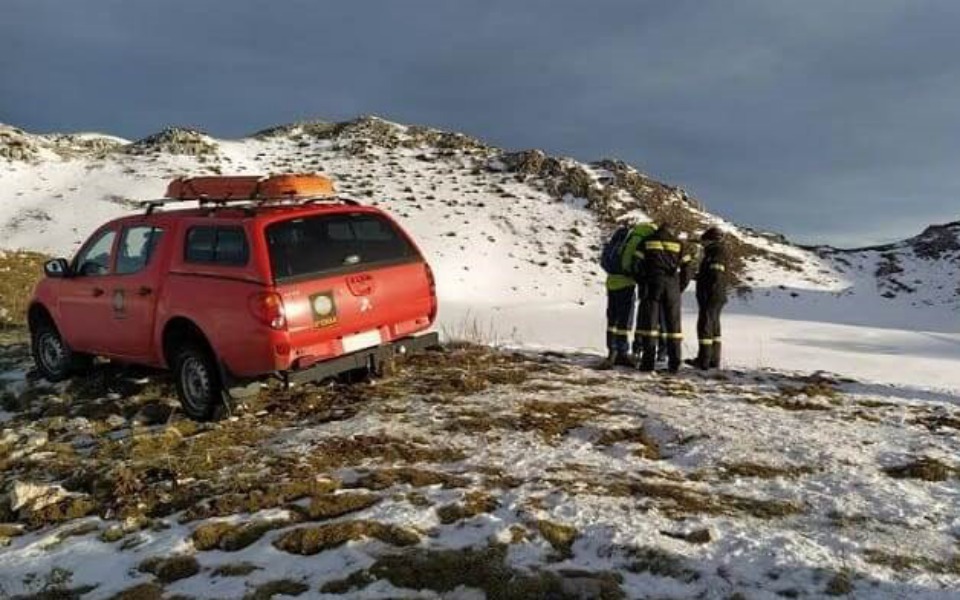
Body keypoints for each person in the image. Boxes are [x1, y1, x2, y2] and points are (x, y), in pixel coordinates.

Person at [636, 223, 695, 373]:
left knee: (650, 326)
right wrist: (679, 287)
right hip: (672, 286)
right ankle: (674, 364)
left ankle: (647, 363)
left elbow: (635, 264)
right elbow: (688, 269)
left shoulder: (647, 241)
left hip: (652, 284)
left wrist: (642, 281)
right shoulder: (679, 244)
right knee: (674, 327)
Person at [599, 220, 658, 369]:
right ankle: (622, 353)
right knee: (625, 320)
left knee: (612, 318)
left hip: (612, 281)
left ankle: (611, 351)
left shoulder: (626, 235)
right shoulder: (642, 239)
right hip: (627, 283)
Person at [687, 226, 729, 370]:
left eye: (703, 241)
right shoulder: (717, 251)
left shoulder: (716, 252)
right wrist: (696, 276)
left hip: (711, 295)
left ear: (709, 240)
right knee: (714, 327)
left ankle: (704, 360)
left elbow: (715, 273)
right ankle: (713, 360)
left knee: (705, 326)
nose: (702, 244)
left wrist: (702, 280)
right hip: (717, 294)